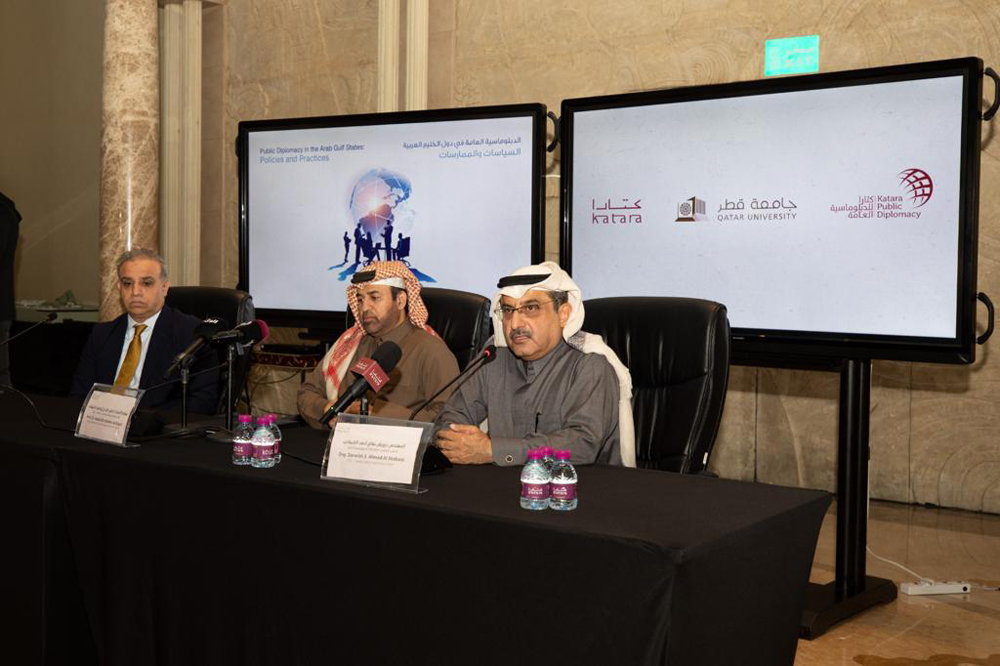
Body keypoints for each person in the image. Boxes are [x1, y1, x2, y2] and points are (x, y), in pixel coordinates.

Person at [435, 261, 635, 467]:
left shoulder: (590, 363)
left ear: (563, 314)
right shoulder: (493, 356)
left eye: (530, 308)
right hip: (502, 488)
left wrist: (492, 450)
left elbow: (582, 444)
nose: (515, 324)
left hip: (577, 491)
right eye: (508, 310)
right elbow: (450, 416)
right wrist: (456, 440)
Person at [297, 260, 459, 428]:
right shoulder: (350, 343)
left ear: (401, 301)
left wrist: (376, 413)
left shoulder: (431, 351)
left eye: (375, 297)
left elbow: (449, 420)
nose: (364, 307)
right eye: (360, 300)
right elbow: (306, 393)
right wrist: (328, 409)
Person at [70, 248, 219, 413]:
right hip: (101, 428)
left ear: (164, 287)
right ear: (119, 287)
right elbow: (79, 395)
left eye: (146, 283)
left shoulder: (194, 335)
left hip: (157, 432)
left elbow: (202, 402)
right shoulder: (102, 334)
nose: (135, 292)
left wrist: (138, 419)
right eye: (127, 283)